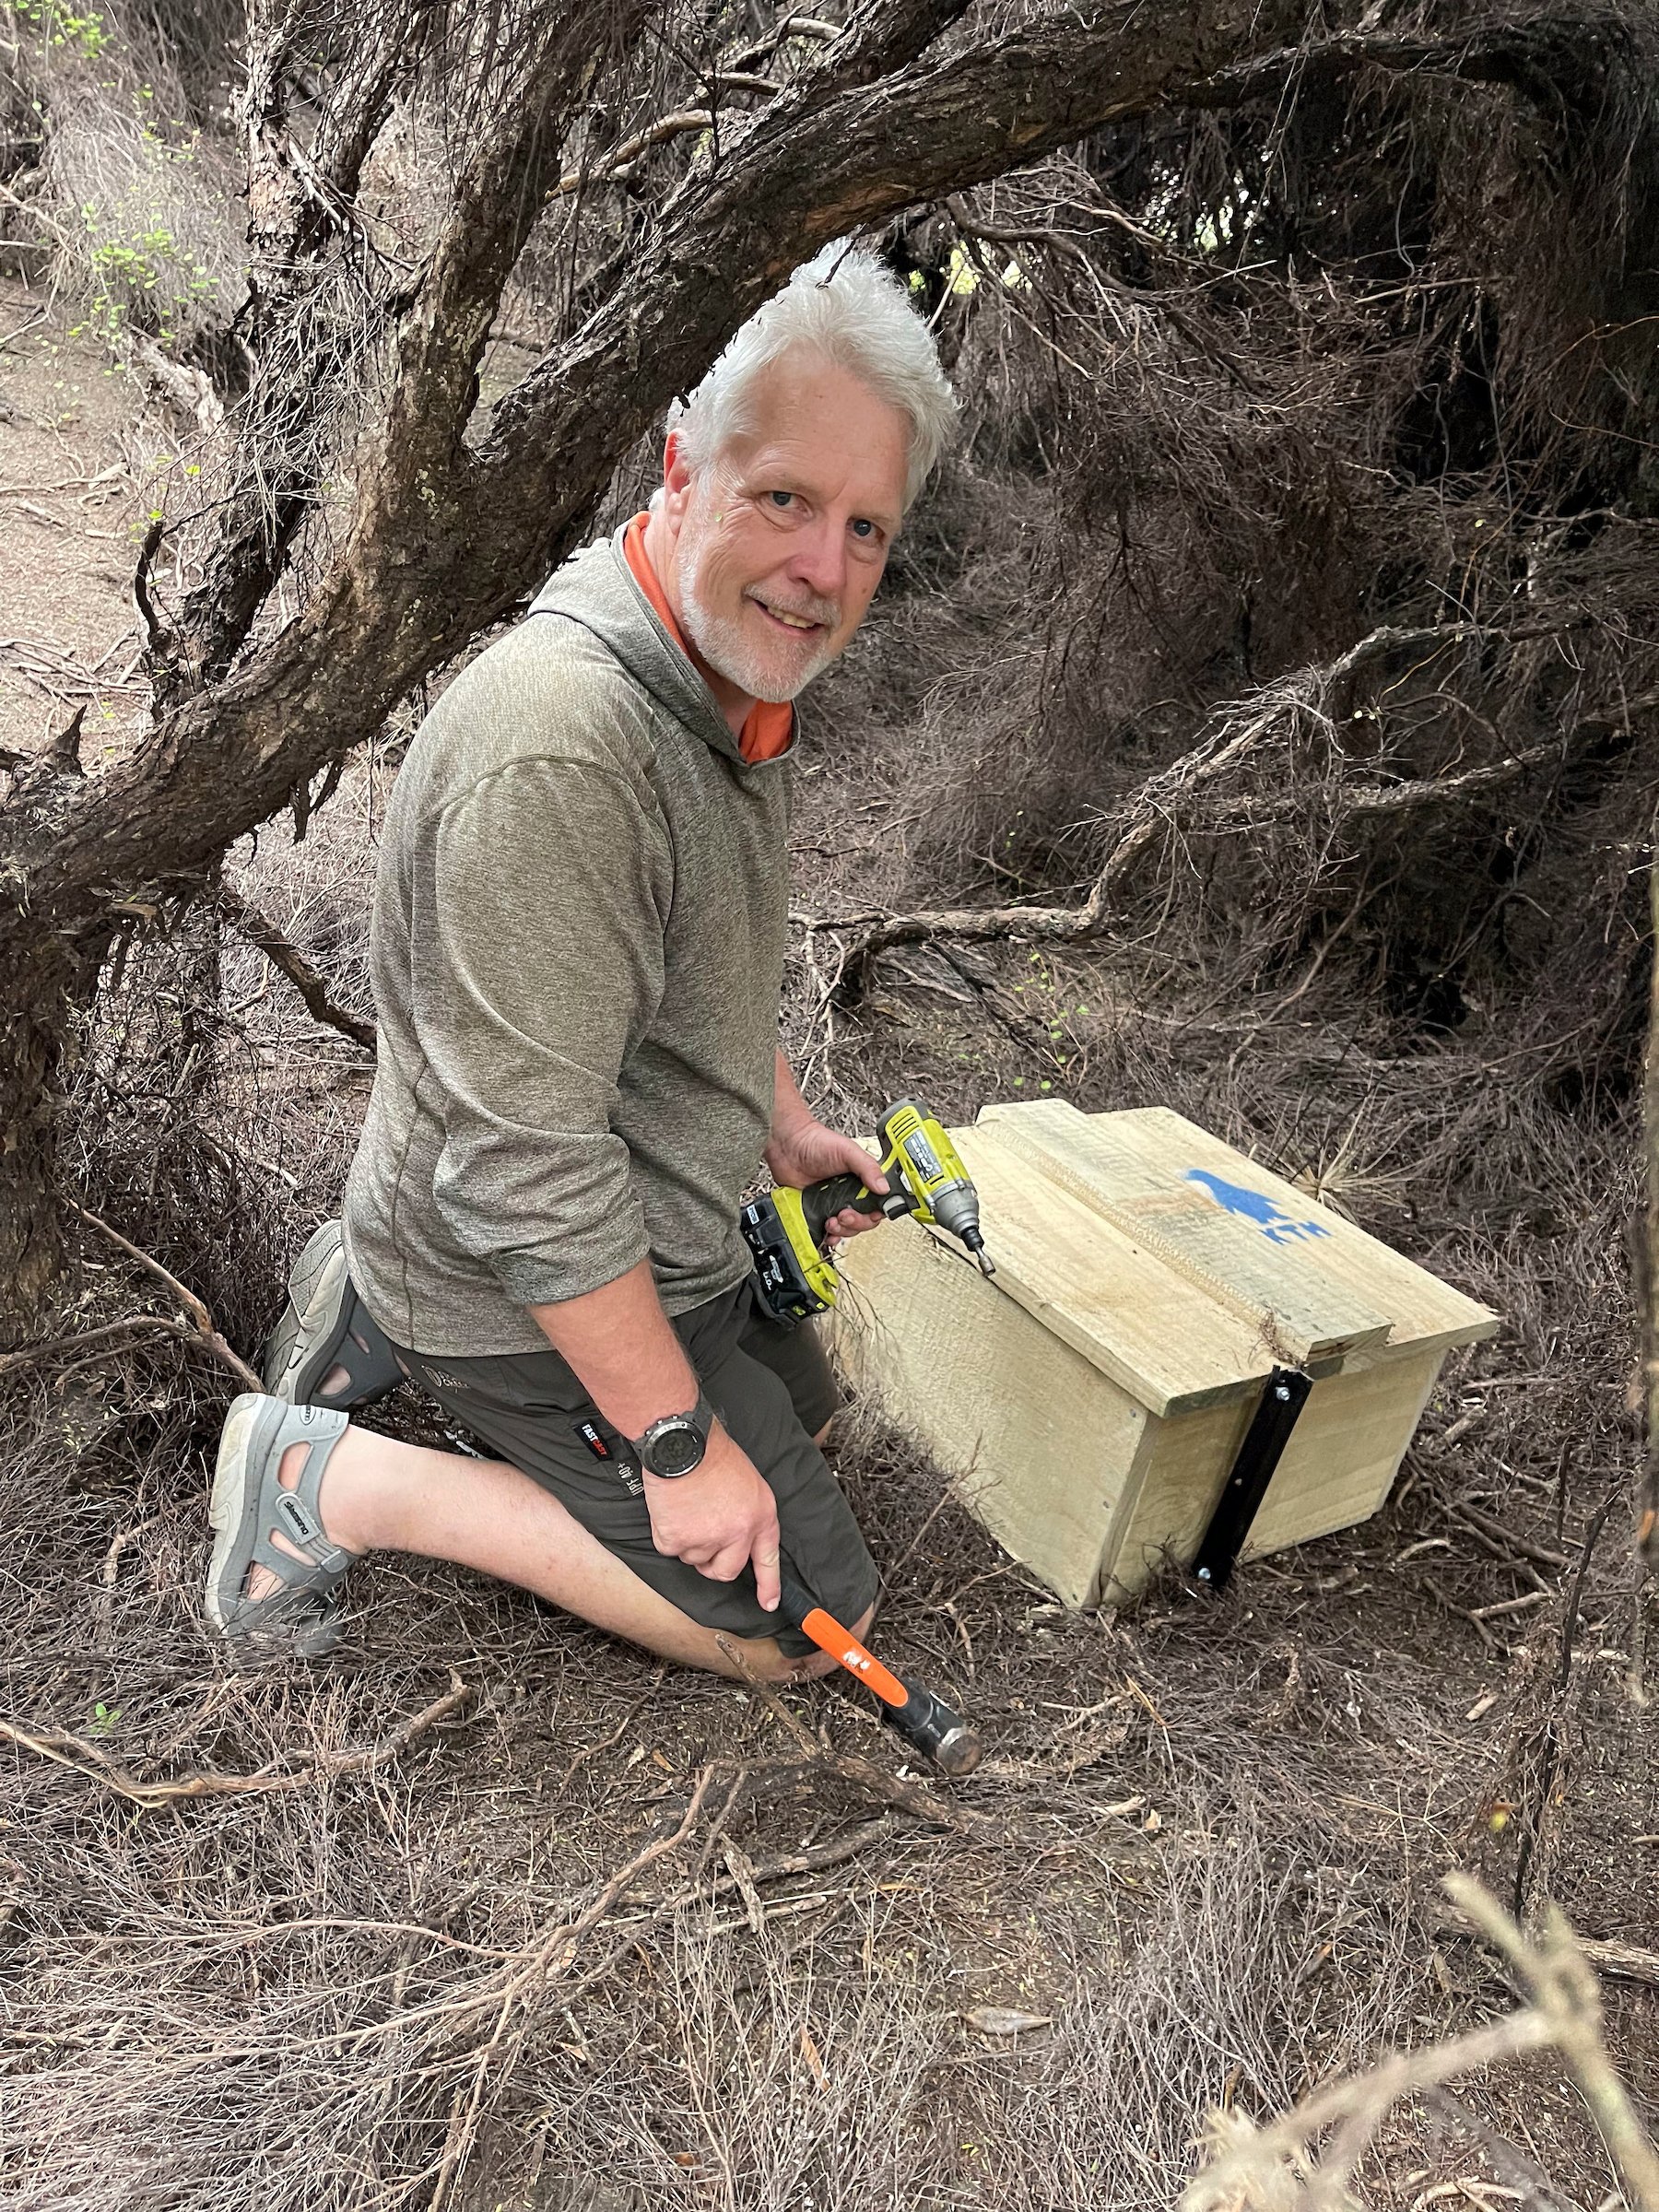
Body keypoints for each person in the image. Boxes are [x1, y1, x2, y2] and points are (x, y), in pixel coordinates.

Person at [203, 247, 957, 1681]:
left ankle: (366, 1282)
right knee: (800, 1631)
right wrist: (674, 1449)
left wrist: (785, 1129)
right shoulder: (565, 751)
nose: (822, 570)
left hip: (600, 1204)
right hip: (506, 1251)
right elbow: (523, 1169)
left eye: (866, 528)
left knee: (810, 1401)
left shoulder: (726, 663)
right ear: (683, 464)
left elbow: (702, 956)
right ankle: (327, 1480)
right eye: (786, 498)